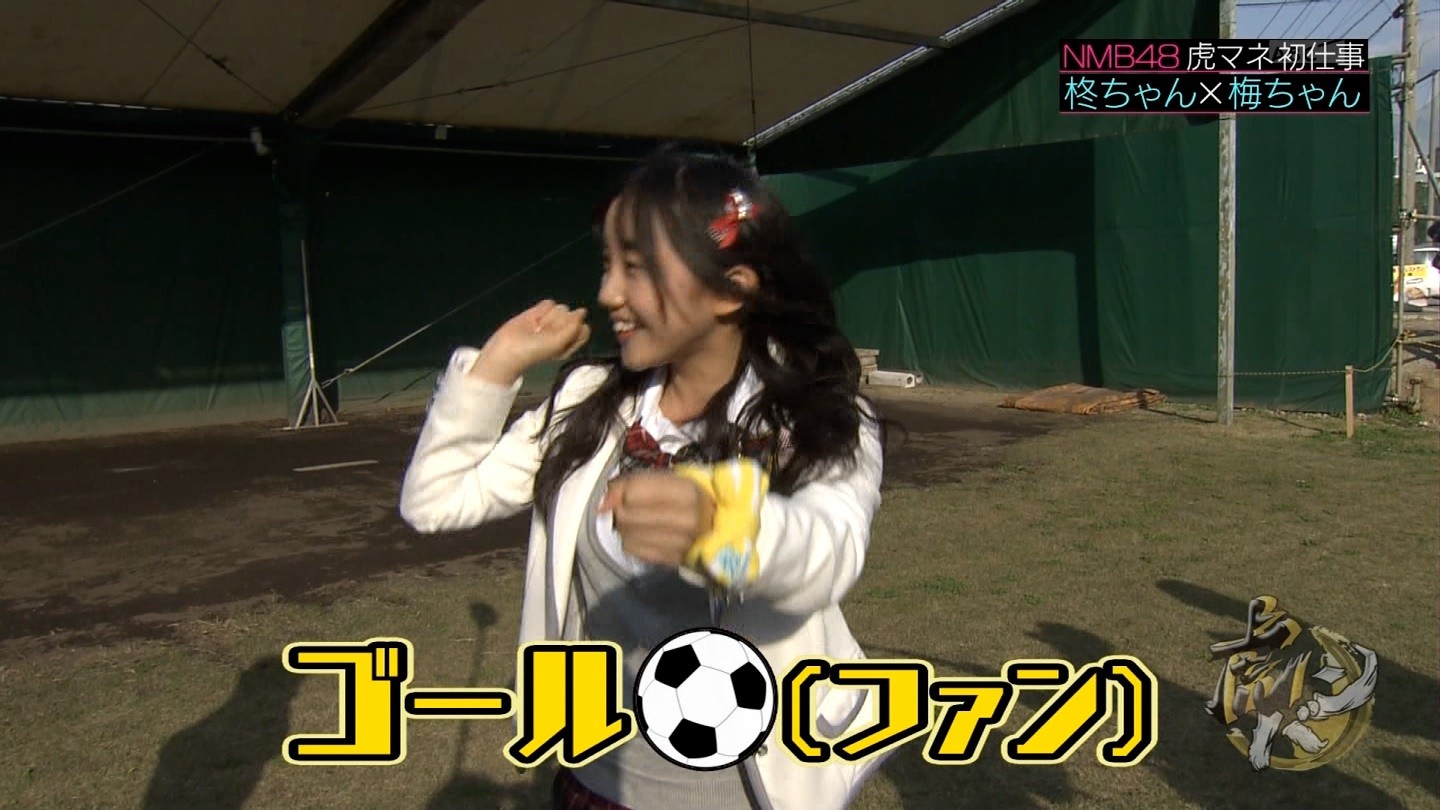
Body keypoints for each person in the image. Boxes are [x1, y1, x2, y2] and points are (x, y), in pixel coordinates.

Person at [399, 147, 893, 810]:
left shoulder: (821, 416)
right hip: (593, 784)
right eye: (608, 264)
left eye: (636, 268)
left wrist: (724, 527)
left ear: (730, 289)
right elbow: (434, 502)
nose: (608, 294)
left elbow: (830, 551)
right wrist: (495, 366)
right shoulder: (588, 399)